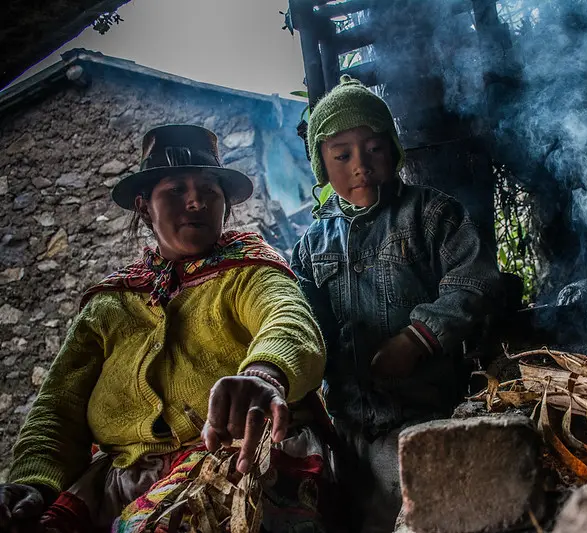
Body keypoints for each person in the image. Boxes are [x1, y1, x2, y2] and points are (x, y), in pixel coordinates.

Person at [0, 125, 330, 532]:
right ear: (144, 207)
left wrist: (264, 373)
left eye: (209, 191)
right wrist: (33, 481)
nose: (195, 201)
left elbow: (288, 320)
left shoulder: (251, 270)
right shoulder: (109, 304)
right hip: (120, 483)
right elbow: (58, 409)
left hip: (236, 461)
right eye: (176, 190)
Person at [291, 76, 502, 532]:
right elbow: (303, 321)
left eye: (374, 149)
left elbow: (475, 280)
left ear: (394, 151)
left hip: (426, 418)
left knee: (433, 518)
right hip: (348, 433)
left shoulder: (431, 214)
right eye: (342, 155)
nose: (360, 165)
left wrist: (418, 338)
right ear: (321, 166)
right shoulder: (310, 245)